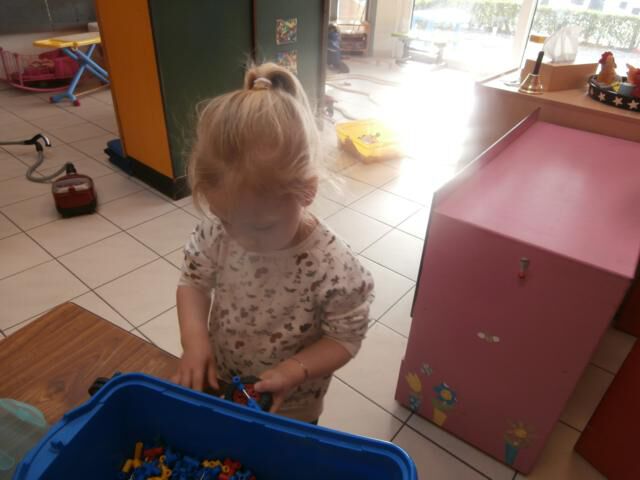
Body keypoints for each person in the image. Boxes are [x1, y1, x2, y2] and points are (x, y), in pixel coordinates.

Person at [172, 63, 374, 423]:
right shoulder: (217, 233)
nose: (240, 238)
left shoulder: (334, 267)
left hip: (292, 404)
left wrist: (294, 370)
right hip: (224, 380)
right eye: (225, 219)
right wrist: (194, 339)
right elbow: (193, 282)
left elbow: (345, 338)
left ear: (306, 192)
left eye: (261, 226)